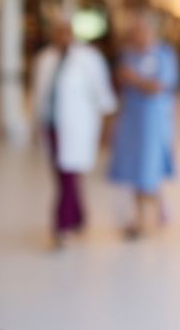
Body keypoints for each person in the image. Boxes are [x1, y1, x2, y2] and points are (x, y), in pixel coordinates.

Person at [31, 16, 117, 246]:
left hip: (77, 125)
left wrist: (107, 129)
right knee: (62, 175)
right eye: (58, 32)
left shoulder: (88, 59)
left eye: (66, 31)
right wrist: (34, 126)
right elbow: (38, 96)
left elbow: (103, 95)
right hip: (51, 126)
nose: (62, 36)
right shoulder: (45, 59)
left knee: (68, 174)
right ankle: (79, 216)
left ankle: (61, 225)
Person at [109, 12, 179, 238]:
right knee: (137, 167)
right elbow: (120, 82)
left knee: (148, 166)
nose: (137, 36)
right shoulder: (128, 55)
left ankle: (142, 219)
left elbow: (159, 86)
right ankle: (150, 210)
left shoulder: (164, 55)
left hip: (153, 121)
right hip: (132, 119)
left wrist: (134, 79)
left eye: (141, 31)